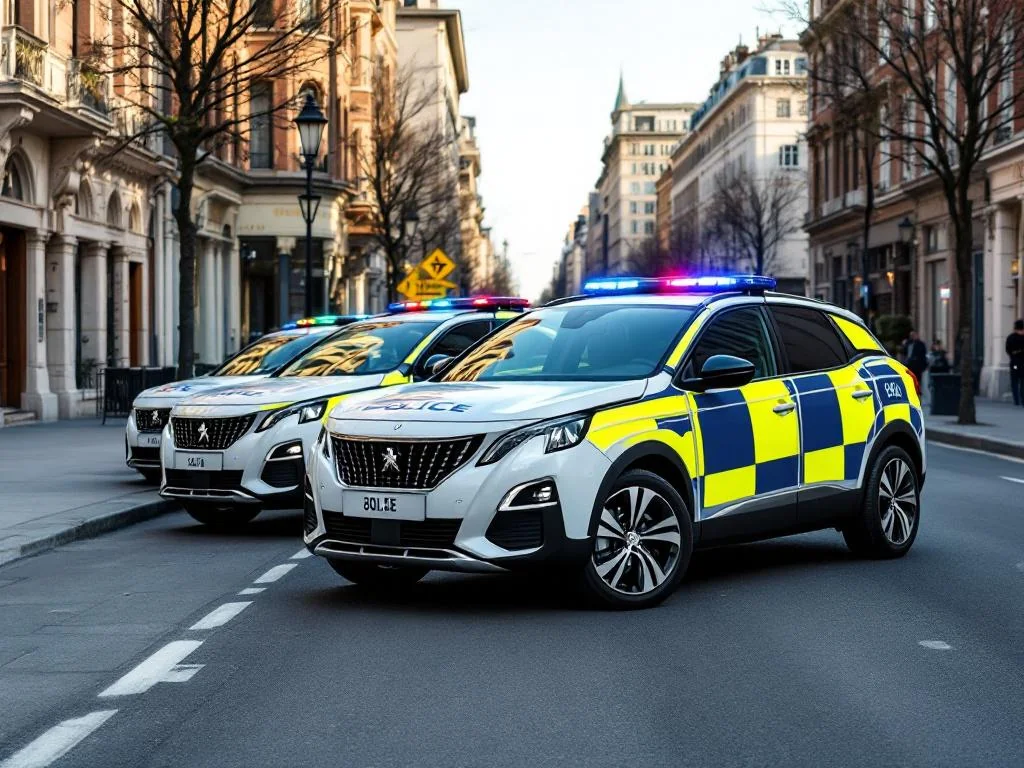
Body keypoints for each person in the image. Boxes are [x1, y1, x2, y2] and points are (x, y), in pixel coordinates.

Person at [1007, 319, 1024, 406]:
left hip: (1015, 363)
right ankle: (1022, 399)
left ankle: (1016, 400)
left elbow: (1008, 350)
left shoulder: (1011, 338)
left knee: (1015, 381)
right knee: (1022, 381)